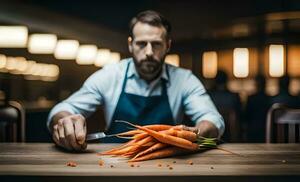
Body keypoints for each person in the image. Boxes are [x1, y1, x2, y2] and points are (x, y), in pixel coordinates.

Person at [47, 10, 224, 151]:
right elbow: (63, 110)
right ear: (130, 45)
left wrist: (196, 133)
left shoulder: (185, 80)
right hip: (112, 165)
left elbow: (212, 119)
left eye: (156, 44)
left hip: (168, 166)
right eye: (141, 44)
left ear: (168, 46)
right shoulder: (110, 75)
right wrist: (65, 121)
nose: (148, 52)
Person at [245, 74, 270, 142]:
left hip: (252, 131)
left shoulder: (251, 98)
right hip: (267, 130)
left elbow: (245, 116)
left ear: (255, 84)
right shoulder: (269, 98)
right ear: (265, 84)